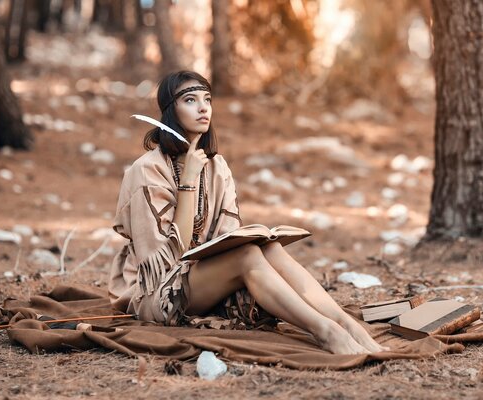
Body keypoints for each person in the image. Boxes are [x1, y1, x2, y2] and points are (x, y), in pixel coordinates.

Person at [108, 70, 388, 355]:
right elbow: (163, 261)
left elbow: (224, 239)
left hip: (205, 282)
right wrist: (189, 181)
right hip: (161, 293)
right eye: (190, 100)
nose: (203, 108)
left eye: (207, 99)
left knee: (269, 249)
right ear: (170, 111)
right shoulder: (147, 170)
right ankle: (326, 333)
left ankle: (345, 323)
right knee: (247, 256)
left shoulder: (218, 167)